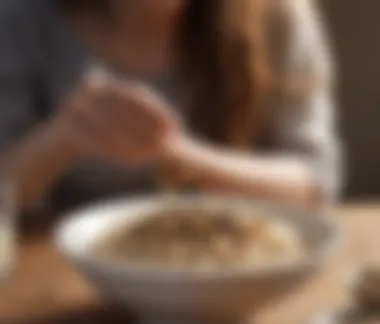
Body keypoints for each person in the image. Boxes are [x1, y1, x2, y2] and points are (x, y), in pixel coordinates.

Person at [0, 0, 342, 214]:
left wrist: (180, 156)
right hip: (62, 280)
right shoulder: (21, 16)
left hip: (238, 270)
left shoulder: (277, 12)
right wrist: (61, 139)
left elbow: (316, 183)